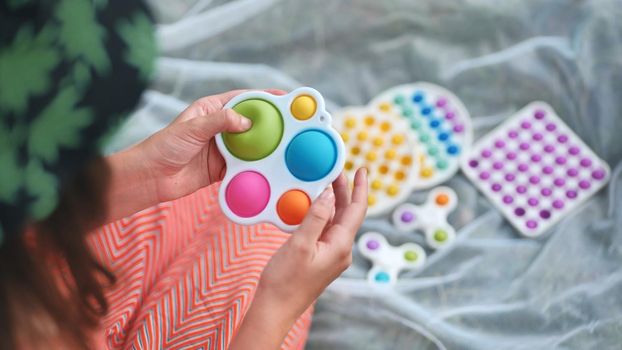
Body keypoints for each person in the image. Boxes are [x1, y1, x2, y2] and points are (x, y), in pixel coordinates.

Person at [0, 1, 368, 349]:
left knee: (233, 203)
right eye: (78, 153)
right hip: (37, 310)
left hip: (37, 266)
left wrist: (151, 174)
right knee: (262, 251)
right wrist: (277, 305)